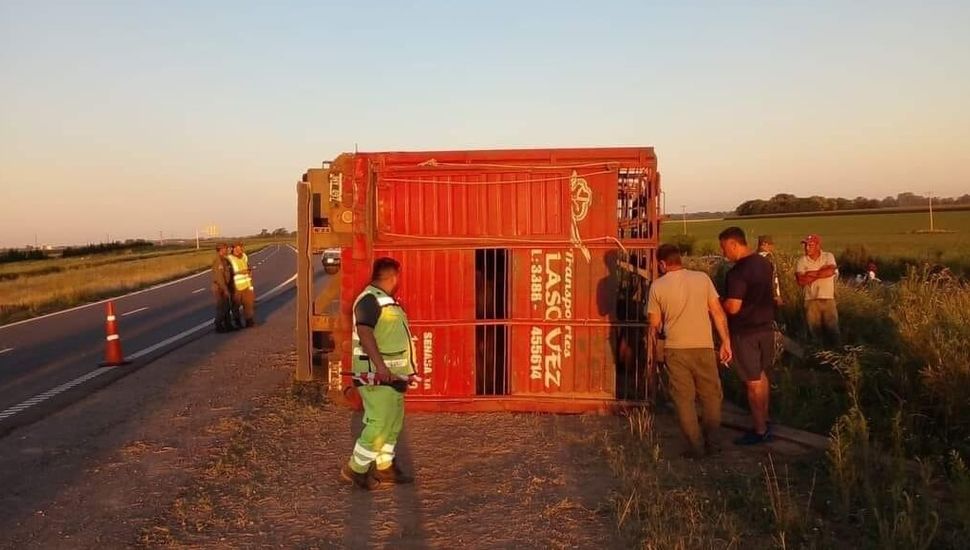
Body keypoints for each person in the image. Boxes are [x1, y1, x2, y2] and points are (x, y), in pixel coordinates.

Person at [647, 244, 732, 458]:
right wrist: (725, 342)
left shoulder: (657, 286)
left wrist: (653, 349)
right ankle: (713, 442)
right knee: (711, 396)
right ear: (680, 259)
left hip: (676, 349)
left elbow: (654, 325)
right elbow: (717, 312)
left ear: (662, 263)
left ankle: (696, 448)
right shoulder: (702, 279)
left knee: (684, 400)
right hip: (704, 346)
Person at [341, 257, 417, 490]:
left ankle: (385, 466)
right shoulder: (369, 300)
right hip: (376, 376)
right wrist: (382, 367)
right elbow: (365, 334)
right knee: (379, 423)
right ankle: (356, 469)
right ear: (393, 277)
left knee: (392, 423)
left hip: (395, 377)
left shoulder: (387, 302)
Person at [719, 227, 777, 445]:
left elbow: (733, 307)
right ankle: (766, 419)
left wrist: (716, 305)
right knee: (762, 375)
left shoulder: (737, 272)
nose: (724, 253)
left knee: (752, 383)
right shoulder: (765, 264)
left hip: (746, 333)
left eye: (724, 248)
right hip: (766, 328)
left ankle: (760, 430)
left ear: (734, 244)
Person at [795, 234, 840, 347]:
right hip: (811, 300)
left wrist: (810, 274)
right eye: (805, 245)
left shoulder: (828, 256)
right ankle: (818, 355)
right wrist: (821, 272)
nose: (807, 248)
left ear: (818, 246)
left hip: (828, 298)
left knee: (832, 329)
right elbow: (801, 280)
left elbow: (830, 271)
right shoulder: (802, 260)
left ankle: (836, 353)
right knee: (814, 331)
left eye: (810, 245)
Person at [227, 242, 256, 328]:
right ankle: (237, 322)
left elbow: (247, 266)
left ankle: (249, 321)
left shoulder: (244, 256)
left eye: (241, 247)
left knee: (249, 304)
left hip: (247, 284)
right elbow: (228, 273)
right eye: (238, 248)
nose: (240, 249)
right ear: (233, 248)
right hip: (236, 286)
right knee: (236, 305)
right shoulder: (229, 258)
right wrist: (240, 272)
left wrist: (249, 271)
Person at [210, 243, 234, 332]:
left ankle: (228, 325)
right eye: (225, 249)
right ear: (220, 250)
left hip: (224, 286)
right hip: (219, 287)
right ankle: (218, 325)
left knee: (227, 306)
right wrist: (225, 289)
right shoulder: (218, 260)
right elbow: (220, 277)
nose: (227, 250)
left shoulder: (225, 260)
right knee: (222, 307)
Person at [757, 235, 784, 306]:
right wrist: (776, 296)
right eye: (770, 244)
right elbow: (772, 278)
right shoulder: (768, 258)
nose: (772, 246)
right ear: (764, 244)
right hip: (769, 296)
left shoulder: (753, 258)